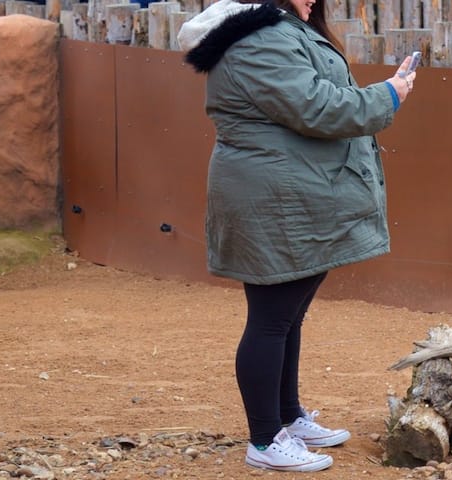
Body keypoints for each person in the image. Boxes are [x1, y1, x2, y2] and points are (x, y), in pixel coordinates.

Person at [178, 0, 418, 472]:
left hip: (287, 194)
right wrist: (388, 94)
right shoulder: (259, 39)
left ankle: (287, 416)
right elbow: (318, 108)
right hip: (273, 199)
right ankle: (265, 441)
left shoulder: (276, 30)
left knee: (287, 316)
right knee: (271, 319)